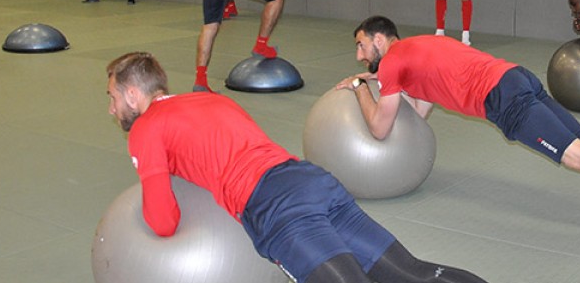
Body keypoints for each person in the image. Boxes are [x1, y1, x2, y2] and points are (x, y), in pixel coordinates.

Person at [105, 51, 489, 283]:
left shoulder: (146, 128)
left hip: (277, 208)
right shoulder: (209, 101)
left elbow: (162, 220)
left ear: (133, 94)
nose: (112, 109)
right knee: (413, 274)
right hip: (313, 181)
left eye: (113, 97)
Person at [336, 15, 580, 250]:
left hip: (503, 99)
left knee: (578, 157)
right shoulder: (420, 46)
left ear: (380, 39)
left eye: (361, 45)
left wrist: (360, 87)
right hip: (515, 77)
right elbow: (419, 112)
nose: (359, 55)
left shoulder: (393, 63)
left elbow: (380, 130)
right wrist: (382, 80)